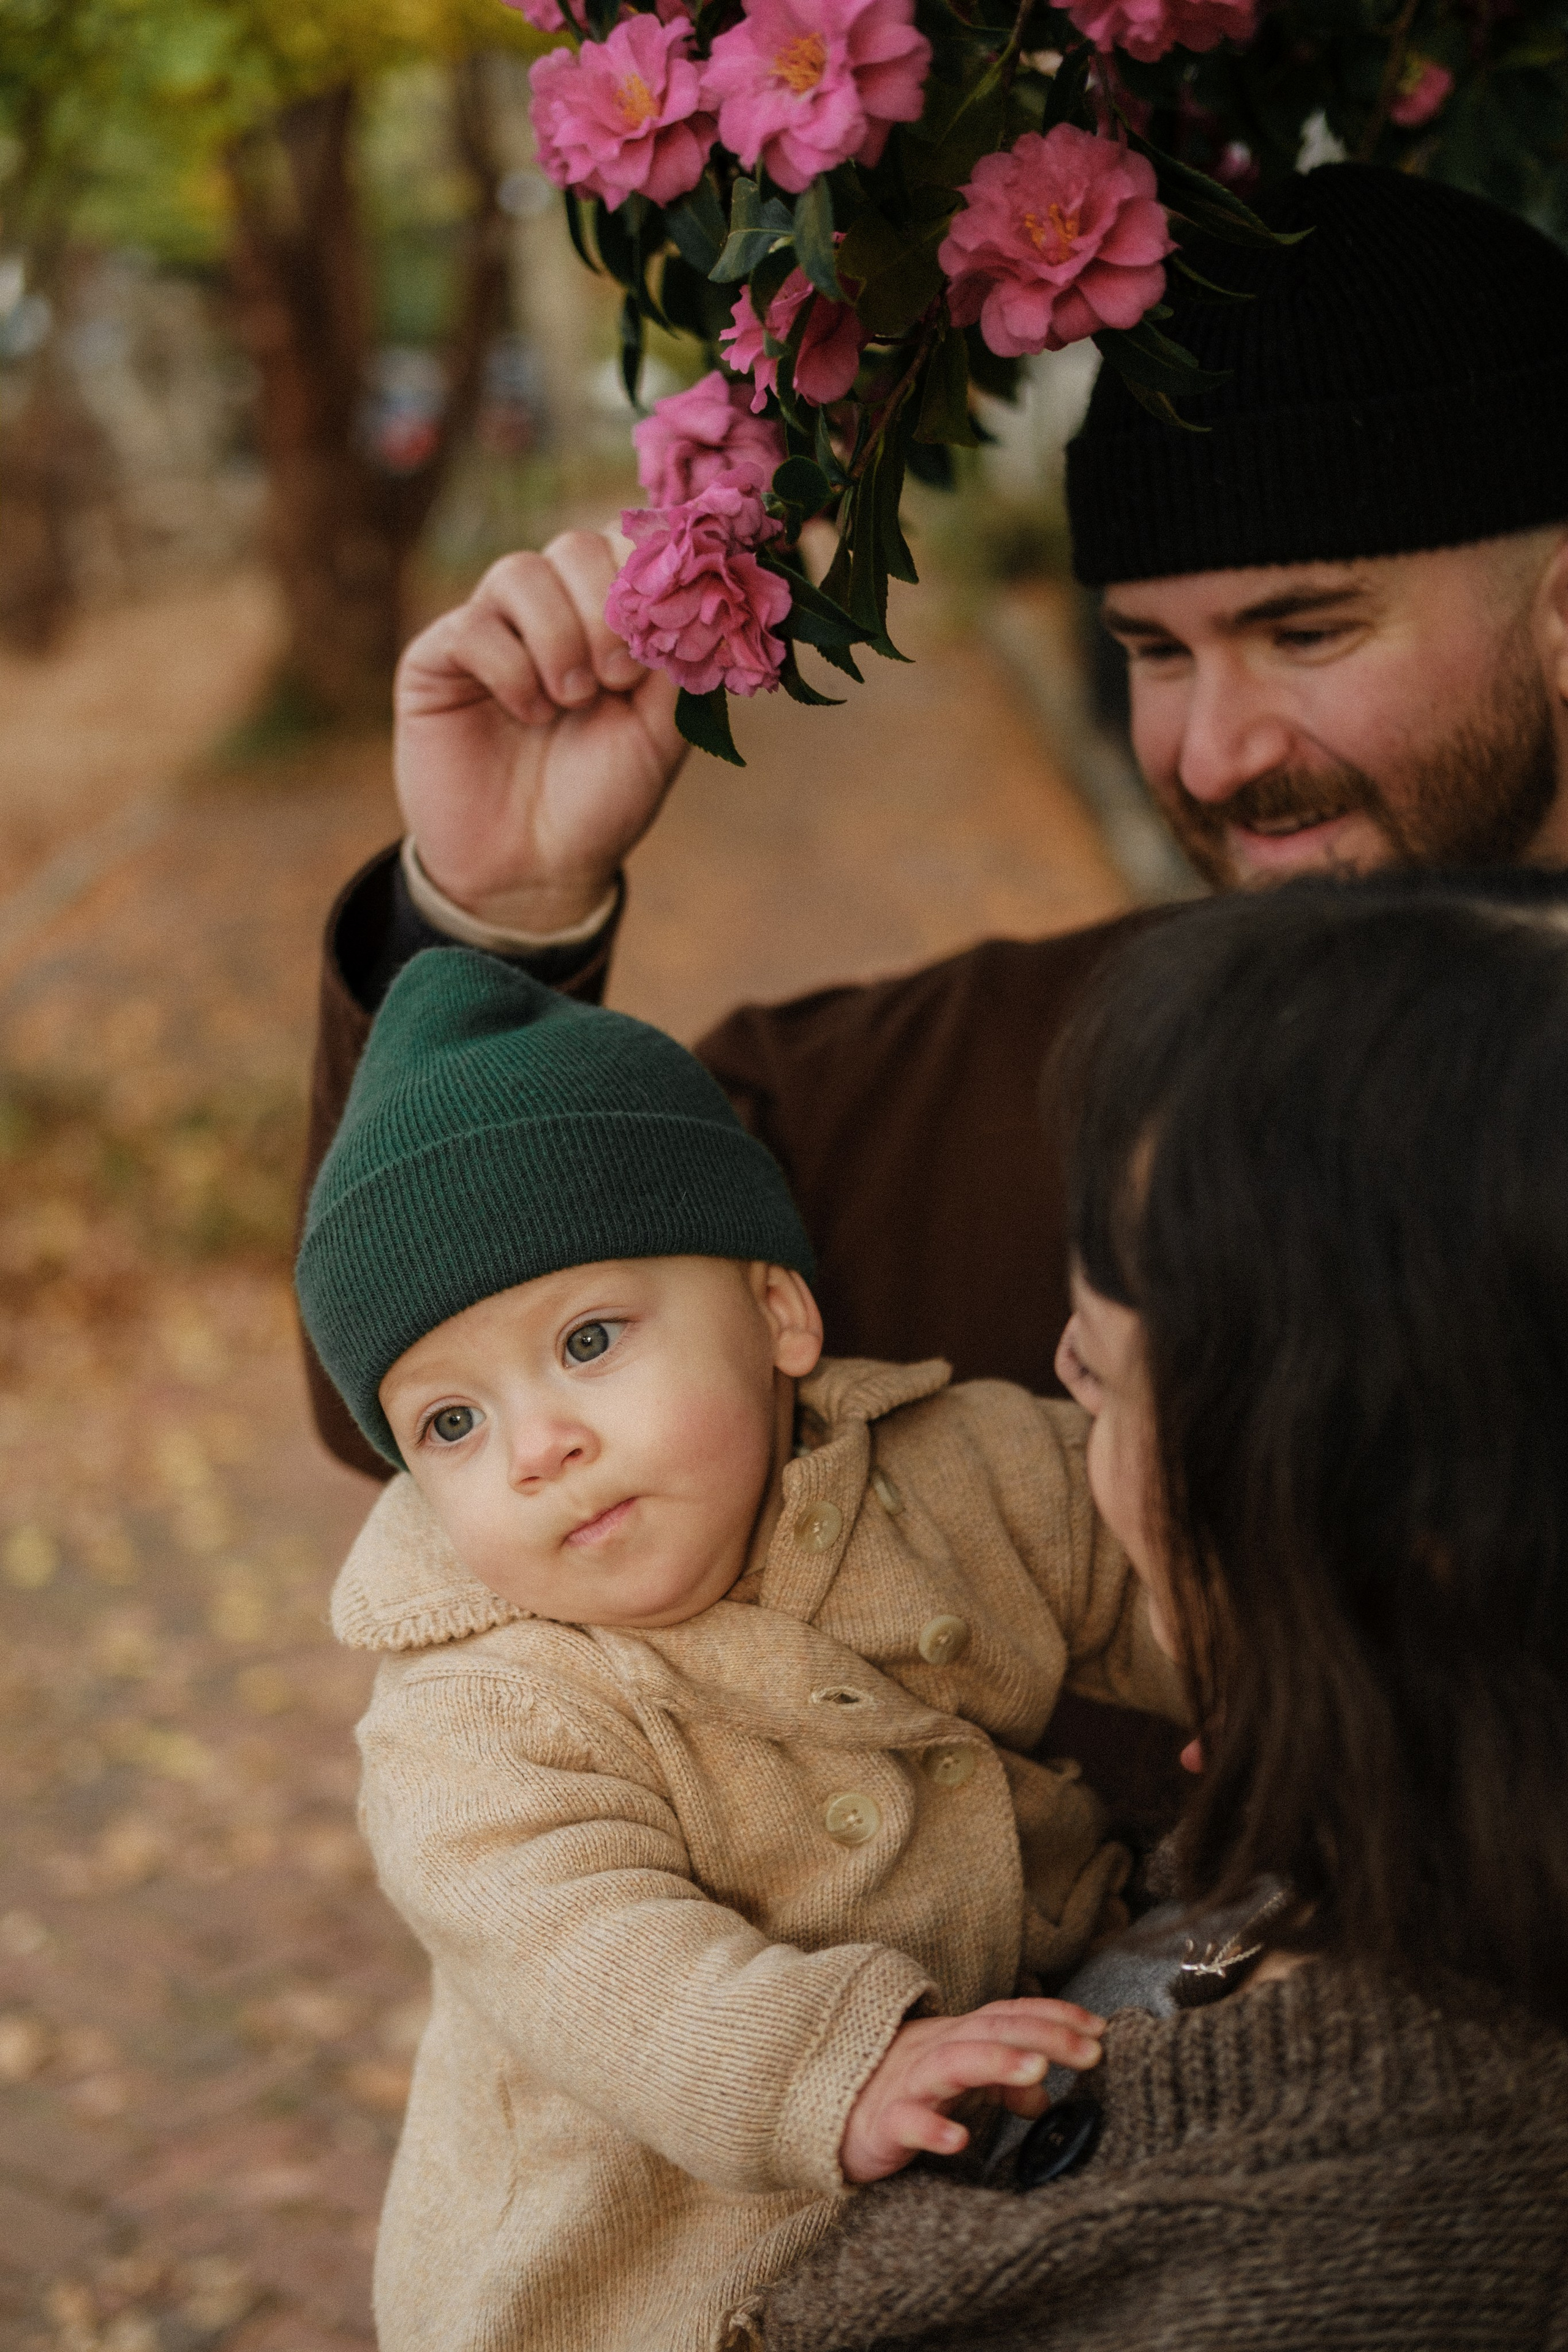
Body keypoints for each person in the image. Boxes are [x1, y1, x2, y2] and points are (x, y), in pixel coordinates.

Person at [297, 160, 1568, 1817]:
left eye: (1308, 632)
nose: (1212, 751)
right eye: (1158, 654)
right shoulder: (1010, 1078)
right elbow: (427, 1364)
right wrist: (496, 908)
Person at [296, 946, 1183, 2352]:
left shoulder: (959, 1473)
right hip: (638, 2290)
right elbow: (591, 1959)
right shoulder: (478, 1713)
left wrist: (1253, 1670)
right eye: (450, 1424)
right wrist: (831, 2069)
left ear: (778, 1312)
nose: (539, 1448)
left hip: (961, 2167)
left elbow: (1141, 1567)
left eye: (588, 1339)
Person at [755, 868, 1568, 2352]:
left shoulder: (1335, 2265)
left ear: (1383, 1499)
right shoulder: (1366, 1824)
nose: (1057, 1377)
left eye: (1117, 1373)